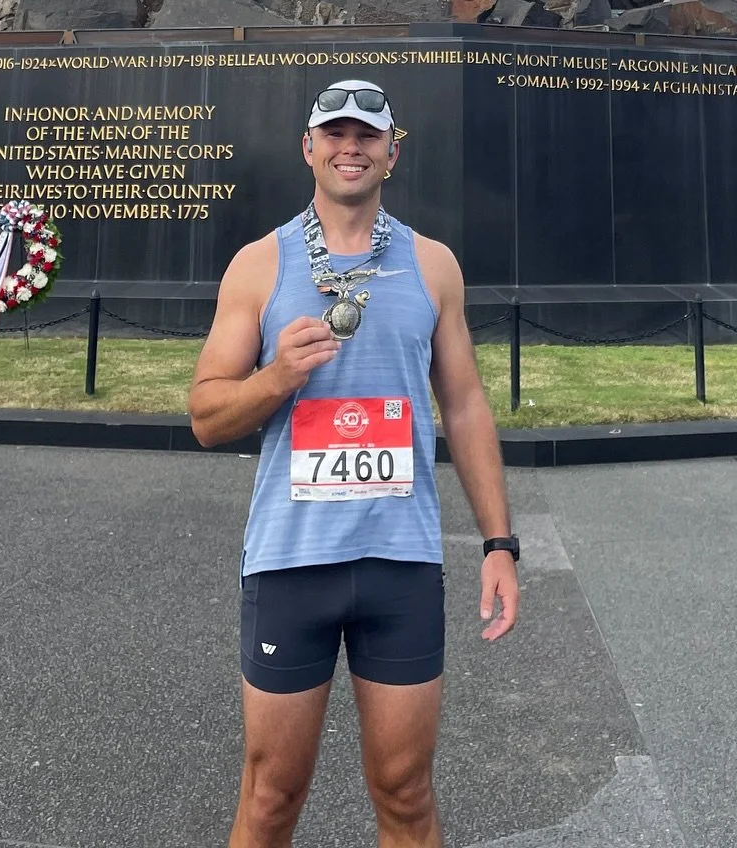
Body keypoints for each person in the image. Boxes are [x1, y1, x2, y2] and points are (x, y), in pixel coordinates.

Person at [190, 76, 520, 848]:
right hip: (291, 559)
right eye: (334, 134)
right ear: (308, 149)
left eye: (368, 136)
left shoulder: (434, 265)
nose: (351, 148)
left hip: (399, 562)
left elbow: (466, 406)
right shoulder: (258, 265)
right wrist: (278, 376)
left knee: (406, 794)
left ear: (392, 154)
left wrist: (500, 544)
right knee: (272, 795)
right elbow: (206, 415)